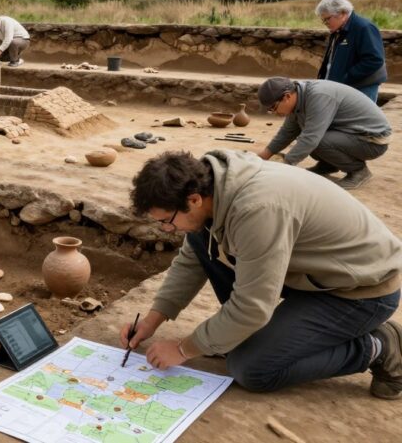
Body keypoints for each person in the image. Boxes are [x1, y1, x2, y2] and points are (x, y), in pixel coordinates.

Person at [124, 150, 401, 398]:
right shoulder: (213, 186)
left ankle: (378, 345)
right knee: (199, 240)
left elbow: (252, 309)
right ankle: (248, 335)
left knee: (250, 368)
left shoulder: (256, 209)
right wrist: (153, 319)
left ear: (193, 199)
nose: (166, 230)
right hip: (313, 276)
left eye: (166, 222)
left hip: (361, 291)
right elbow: (192, 260)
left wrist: (184, 348)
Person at [256, 76, 391, 190]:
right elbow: (287, 132)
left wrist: (285, 166)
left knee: (315, 141)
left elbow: (311, 138)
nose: (274, 113)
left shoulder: (318, 96)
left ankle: (358, 171)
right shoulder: (298, 100)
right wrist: (261, 157)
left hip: (372, 140)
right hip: (350, 134)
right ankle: (328, 165)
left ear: (287, 96)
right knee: (308, 138)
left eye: (273, 108)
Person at [315, 0, 387, 102]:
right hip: (345, 87)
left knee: (361, 118)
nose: (325, 23)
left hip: (362, 87)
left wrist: (346, 77)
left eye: (327, 19)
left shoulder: (364, 28)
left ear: (342, 13)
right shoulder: (338, 30)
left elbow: (374, 60)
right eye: (323, 20)